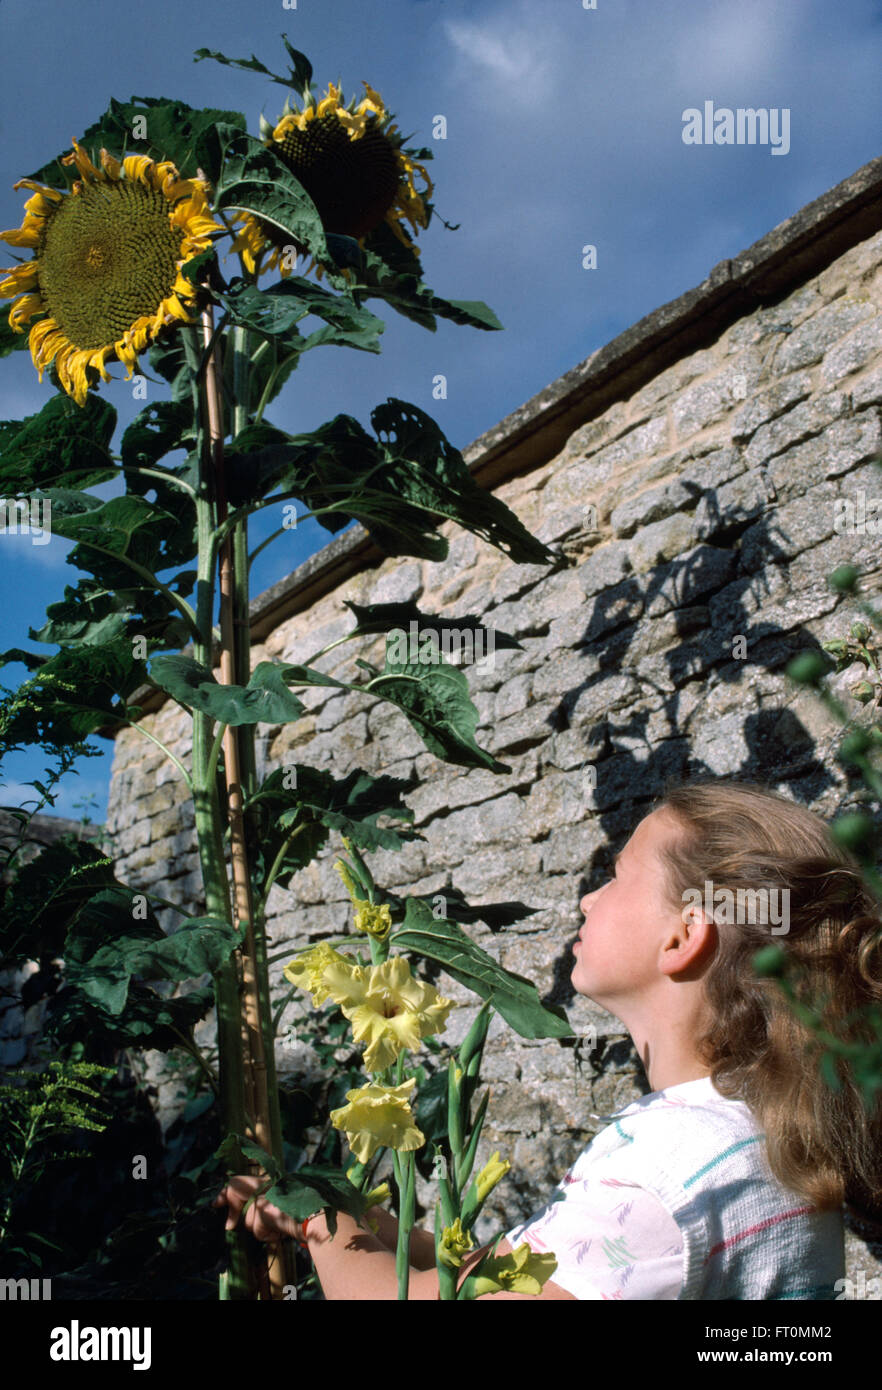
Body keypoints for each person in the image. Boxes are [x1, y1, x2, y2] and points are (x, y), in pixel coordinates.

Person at [215, 778, 882, 1299]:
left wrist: (323, 1227)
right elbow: (524, 1279)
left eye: (616, 877)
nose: (588, 900)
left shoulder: (662, 1173)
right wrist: (345, 1215)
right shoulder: (745, 1137)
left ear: (683, 937)